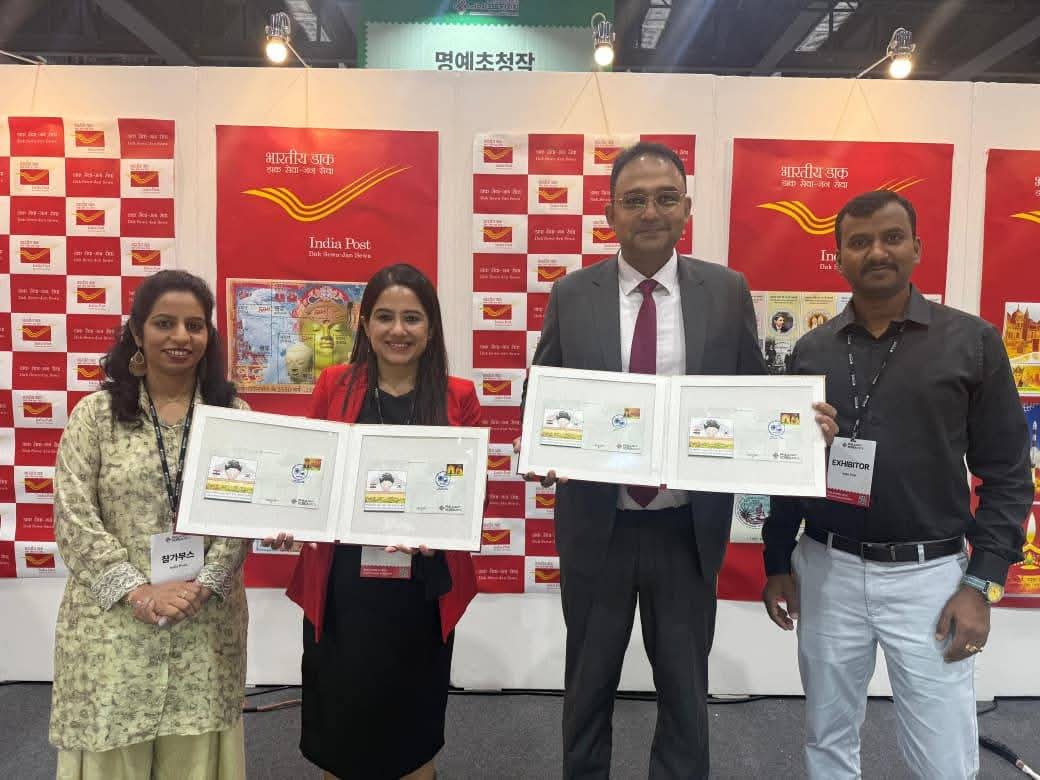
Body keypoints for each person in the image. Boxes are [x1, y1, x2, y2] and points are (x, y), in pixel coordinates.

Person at [525, 141, 836, 778]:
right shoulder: (572, 293)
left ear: (687, 209)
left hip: (686, 528)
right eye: (634, 200)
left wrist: (798, 429)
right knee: (586, 688)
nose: (651, 212)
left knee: (685, 692)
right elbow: (544, 390)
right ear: (610, 213)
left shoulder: (724, 291)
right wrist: (541, 441)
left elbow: (751, 394)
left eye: (666, 198)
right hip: (598, 526)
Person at [762, 190, 1033, 779]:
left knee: (943, 757)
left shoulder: (970, 341)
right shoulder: (812, 350)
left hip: (930, 579)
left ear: (917, 248)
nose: (877, 252)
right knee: (827, 738)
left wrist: (982, 582)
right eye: (859, 242)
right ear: (839, 257)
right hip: (828, 569)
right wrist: (777, 559)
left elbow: (1010, 474)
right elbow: (788, 466)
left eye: (891, 238)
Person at [268, 263, 479, 780]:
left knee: (412, 729)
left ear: (431, 327)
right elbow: (311, 473)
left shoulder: (458, 395)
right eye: (385, 317)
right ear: (364, 324)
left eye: (412, 317)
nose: (397, 330)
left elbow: (475, 493)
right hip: (342, 587)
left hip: (420, 590)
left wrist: (443, 530)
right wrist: (291, 510)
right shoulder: (334, 384)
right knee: (341, 727)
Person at [50, 270, 250, 779]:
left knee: (195, 755)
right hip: (114, 622)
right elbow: (74, 515)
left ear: (208, 335)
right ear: (138, 332)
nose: (181, 337)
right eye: (164, 323)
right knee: (113, 752)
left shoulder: (233, 415)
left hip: (202, 621)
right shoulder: (96, 416)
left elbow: (241, 516)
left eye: (194, 325)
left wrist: (201, 588)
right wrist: (138, 592)